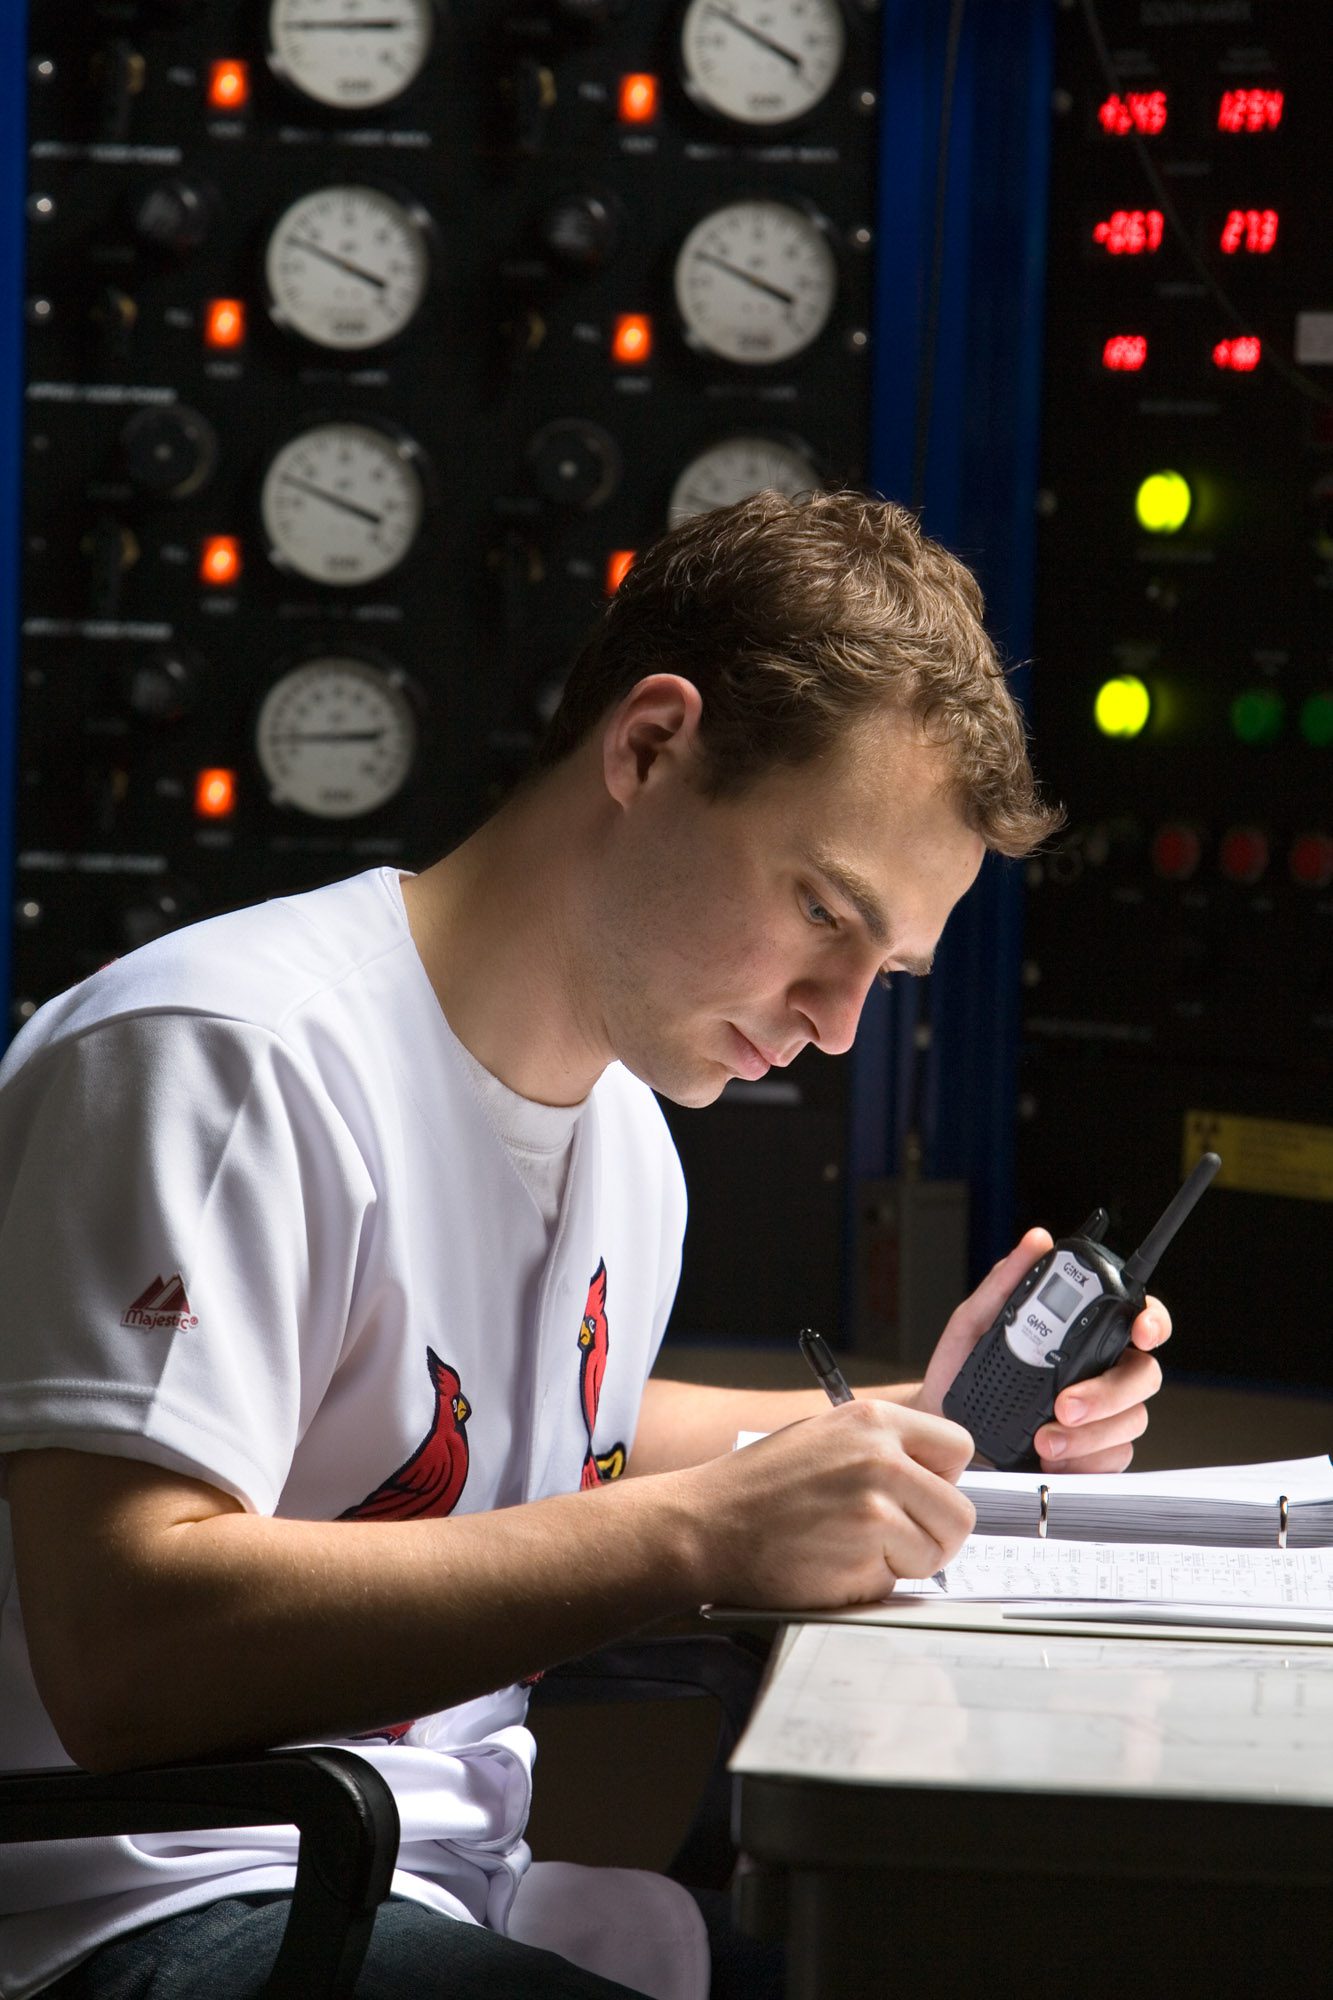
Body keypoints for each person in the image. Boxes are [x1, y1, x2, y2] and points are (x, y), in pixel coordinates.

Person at [0, 492, 1171, 2000]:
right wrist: (695, 1540)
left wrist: (907, 1438)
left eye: (886, 968)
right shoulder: (222, 1058)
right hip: (137, 1918)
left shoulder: (621, 1136)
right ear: (647, 748)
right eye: (822, 910)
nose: (833, 1021)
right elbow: (125, 1652)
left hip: (429, 1889)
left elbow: (539, 1433)